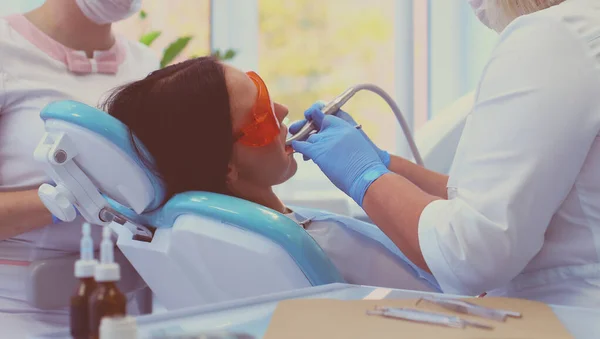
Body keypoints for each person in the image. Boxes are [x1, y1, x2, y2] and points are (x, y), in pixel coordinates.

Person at [289, 0, 600, 307]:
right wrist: (384, 164)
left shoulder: (552, 39)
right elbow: (493, 197)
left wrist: (364, 174)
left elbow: (472, 251)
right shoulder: (578, 30)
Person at [100, 56, 440, 296]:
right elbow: (464, 263)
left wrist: (383, 164)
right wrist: (372, 172)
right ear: (225, 167)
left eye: (263, 93)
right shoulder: (321, 244)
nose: (281, 112)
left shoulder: (231, 242)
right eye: (260, 115)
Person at [0, 0, 158, 336]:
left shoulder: (146, 65)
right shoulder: (5, 51)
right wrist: (60, 200)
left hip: (125, 312)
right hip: (14, 315)